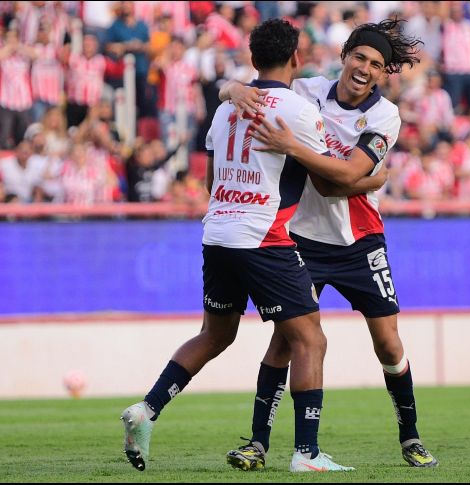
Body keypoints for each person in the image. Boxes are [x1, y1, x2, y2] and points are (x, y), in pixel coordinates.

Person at [120, 19, 356, 473]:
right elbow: (330, 178)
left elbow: (211, 182)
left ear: (252, 59)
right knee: (310, 339)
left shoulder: (225, 110)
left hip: (218, 233)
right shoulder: (300, 110)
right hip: (263, 236)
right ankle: (306, 453)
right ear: (296, 59)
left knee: (216, 334)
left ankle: (146, 410)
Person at [219, 18, 438, 470]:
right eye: (359, 57)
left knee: (388, 344)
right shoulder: (306, 91)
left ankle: (410, 436)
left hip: (360, 239)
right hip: (299, 239)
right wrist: (232, 88)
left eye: (376, 65)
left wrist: (295, 149)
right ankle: (257, 444)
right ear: (344, 56)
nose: (365, 68)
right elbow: (257, 85)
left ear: (383, 75)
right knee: (285, 342)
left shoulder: (384, 117)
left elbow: (341, 181)